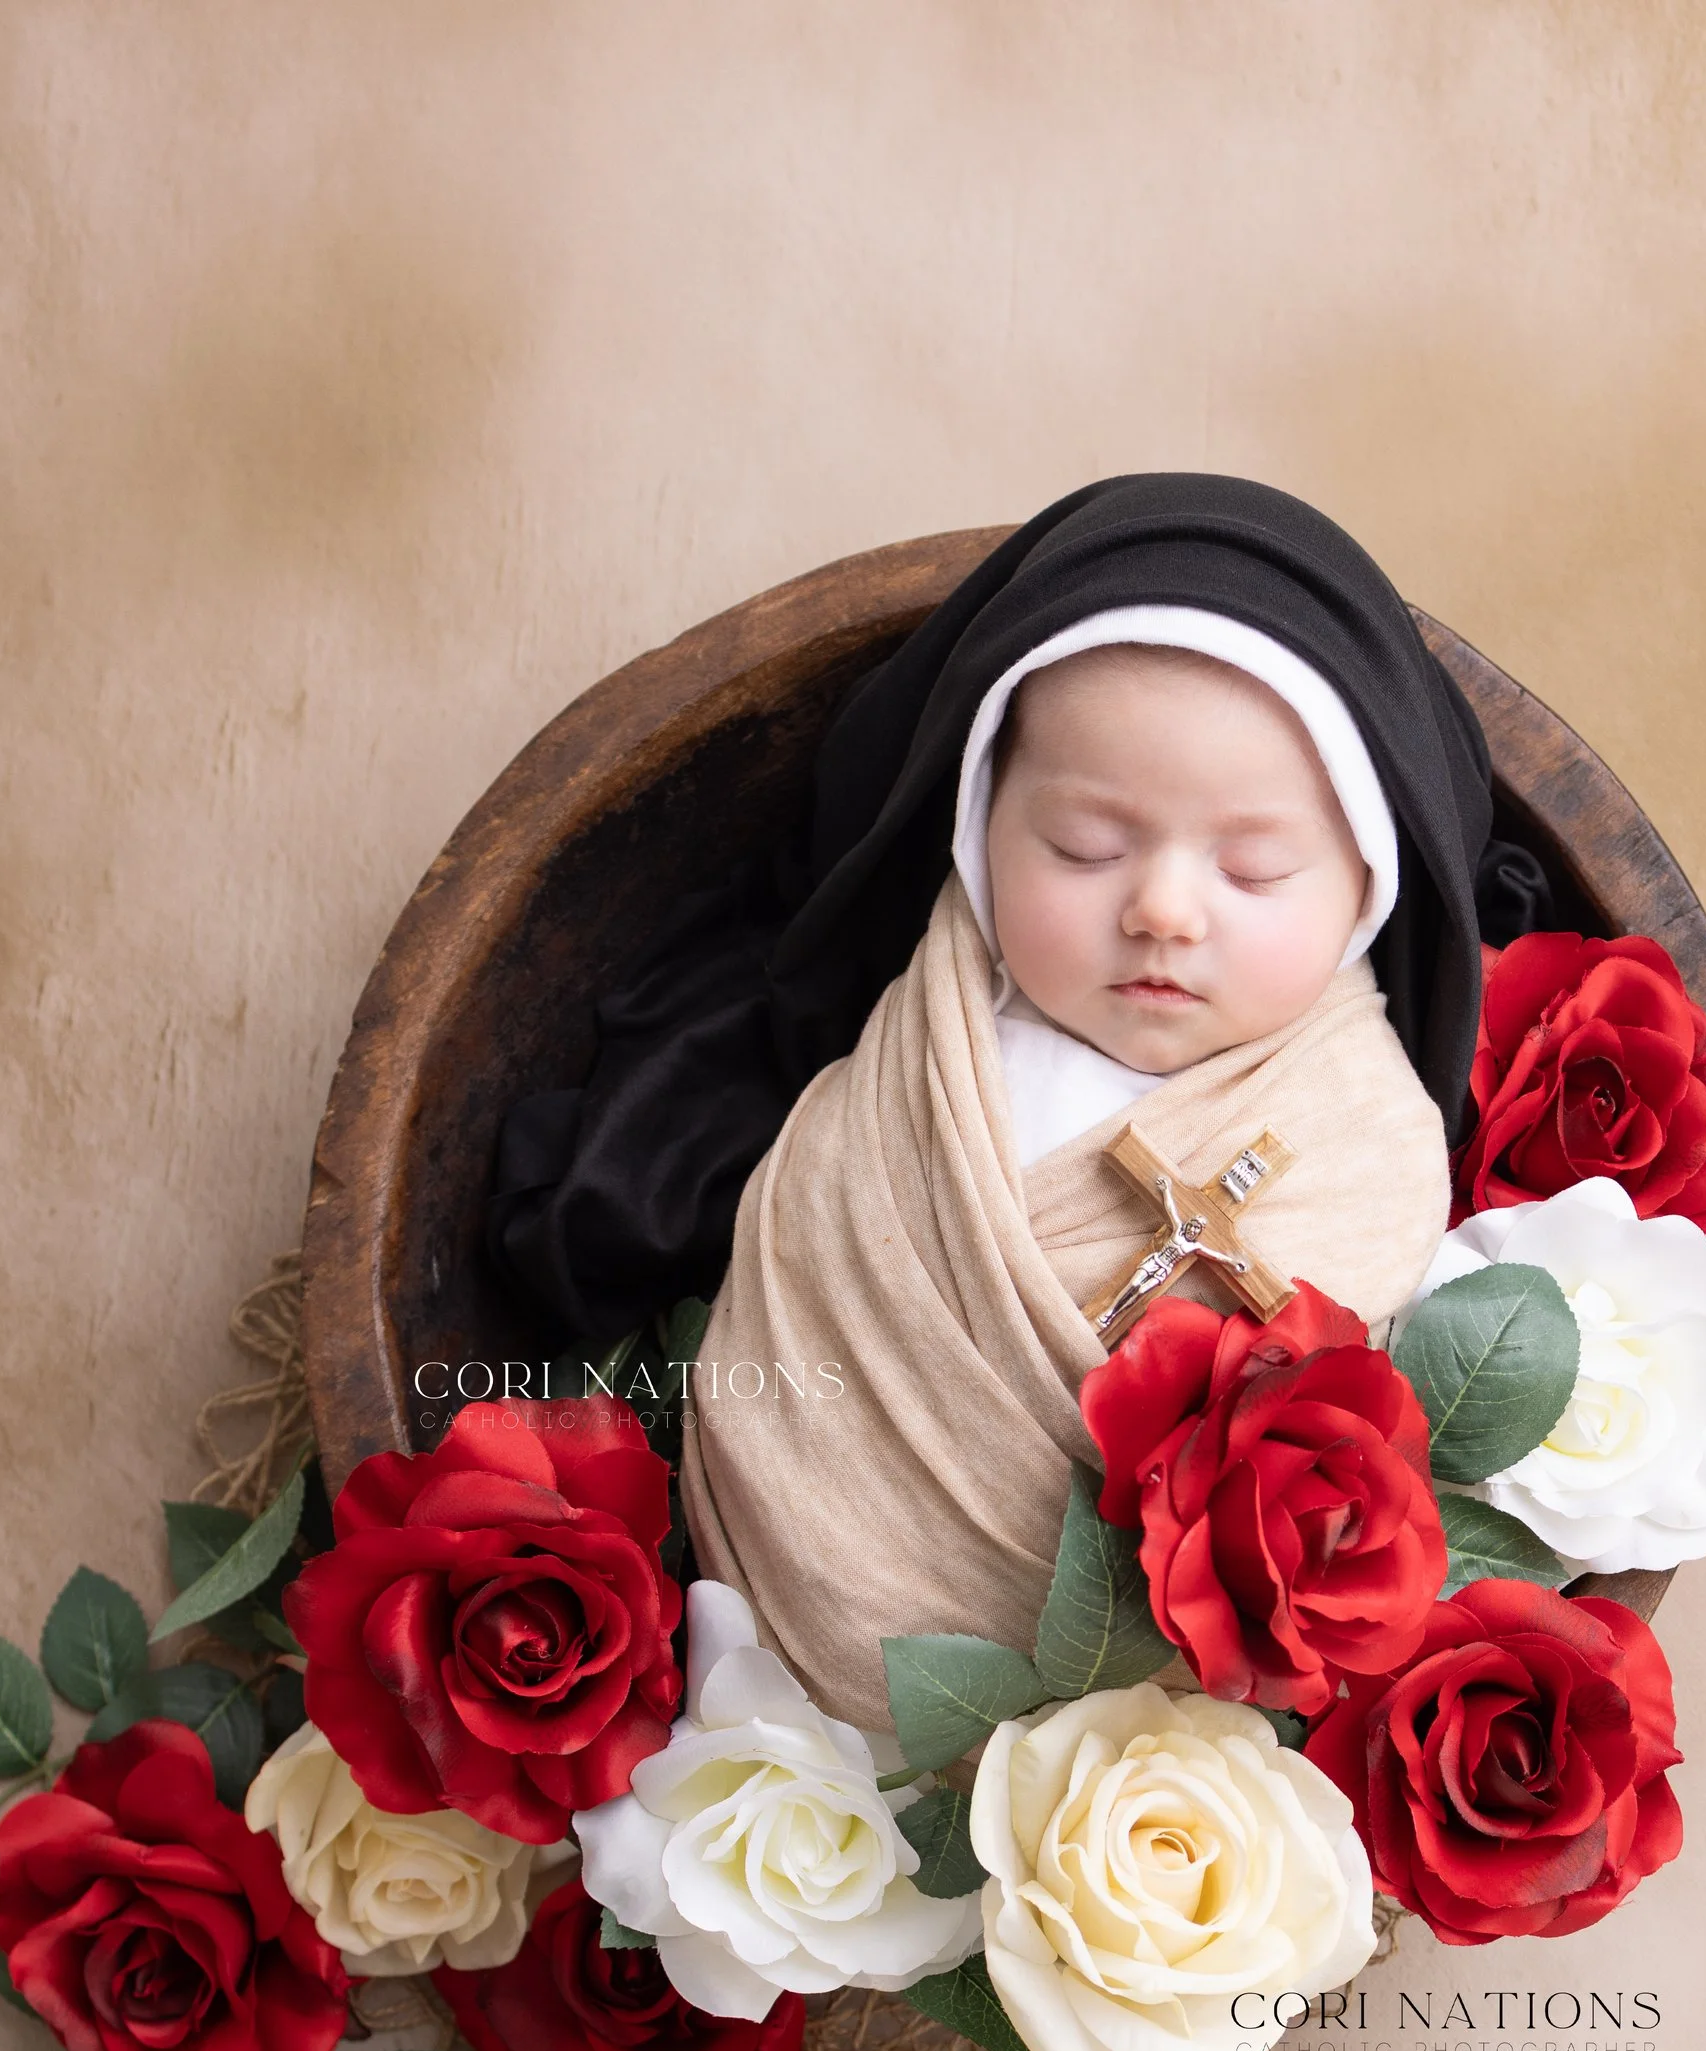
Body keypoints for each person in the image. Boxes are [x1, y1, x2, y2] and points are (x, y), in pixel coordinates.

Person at [494, 475, 1539, 1729]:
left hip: (1095, 1688)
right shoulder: (931, 1035)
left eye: (1253, 866)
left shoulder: (1363, 1139)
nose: (1162, 908)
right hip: (788, 1567)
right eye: (1087, 847)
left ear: (1365, 879)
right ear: (982, 831)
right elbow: (820, 1252)